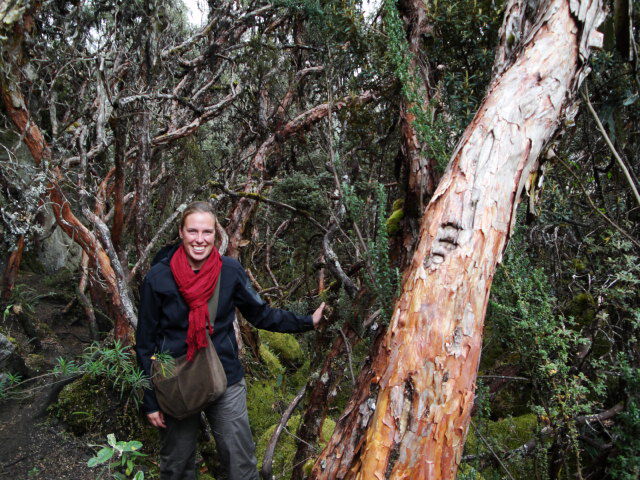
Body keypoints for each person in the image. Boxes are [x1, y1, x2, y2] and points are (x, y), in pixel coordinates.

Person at [135, 201, 325, 480]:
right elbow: (145, 342)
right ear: (181, 232)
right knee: (177, 466)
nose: (199, 239)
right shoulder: (159, 276)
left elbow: (261, 315)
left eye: (207, 232)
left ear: (216, 234)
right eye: (193, 231)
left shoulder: (230, 271)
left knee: (240, 464)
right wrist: (150, 401)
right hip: (177, 382)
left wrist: (307, 321)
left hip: (225, 376)